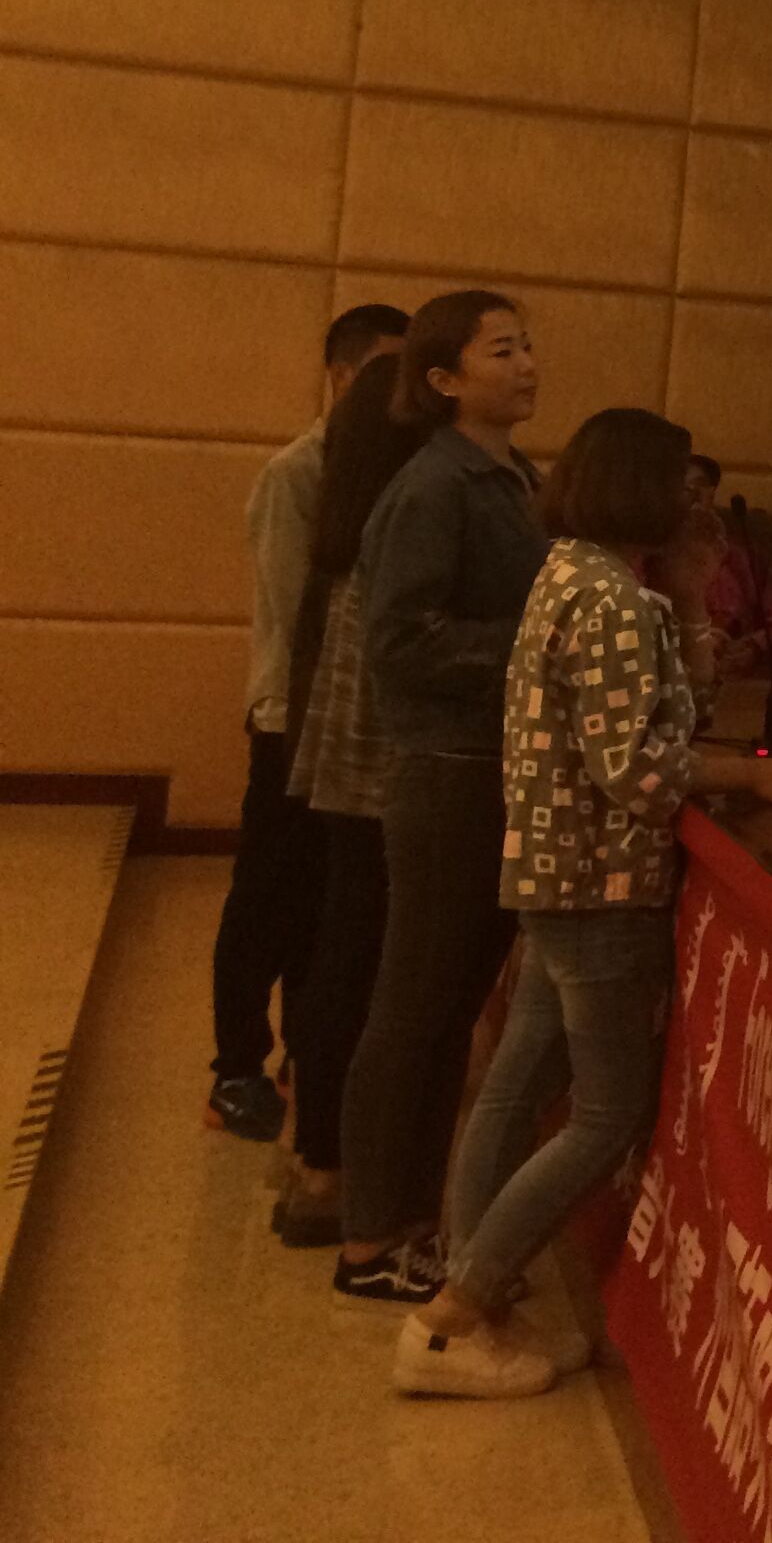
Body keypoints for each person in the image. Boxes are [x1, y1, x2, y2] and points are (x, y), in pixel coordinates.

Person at [395, 408, 772, 1400]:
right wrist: (751, 777)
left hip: (555, 872)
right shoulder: (614, 601)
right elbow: (637, 768)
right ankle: (454, 1317)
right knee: (608, 1113)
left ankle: (477, 1292)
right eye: (680, 485)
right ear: (640, 490)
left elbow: (677, 708)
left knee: (517, 1085)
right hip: (602, 882)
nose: (693, 502)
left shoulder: (576, 575)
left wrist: (695, 597)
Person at [332, 290, 549, 1307]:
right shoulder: (432, 487)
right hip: (450, 774)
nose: (528, 364)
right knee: (413, 1006)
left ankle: (415, 1221)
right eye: (502, 351)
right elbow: (403, 643)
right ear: (444, 379)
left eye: (528, 346)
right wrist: (539, 647)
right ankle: (369, 1238)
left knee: (451, 1008)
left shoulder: (515, 479)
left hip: (497, 771)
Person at [206, 301, 407, 1141]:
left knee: (330, 905)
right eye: (385, 374)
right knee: (268, 897)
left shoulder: (387, 470)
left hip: (344, 729)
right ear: (341, 376)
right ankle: (235, 1067)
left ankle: (306, 1052)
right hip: (292, 720)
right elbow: (297, 618)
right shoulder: (298, 473)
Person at [268, 352, 432, 1248]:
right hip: (378, 770)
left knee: (340, 954)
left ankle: (312, 1153)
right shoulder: (397, 530)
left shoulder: (351, 523)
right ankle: (329, 1167)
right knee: (358, 967)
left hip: (340, 765)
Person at [669, 454, 772, 682]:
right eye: (683, 488)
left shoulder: (744, 555)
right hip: (674, 672)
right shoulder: (652, 555)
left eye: (699, 486)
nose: (693, 496)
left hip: (741, 672)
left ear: (712, 493)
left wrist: (754, 648)